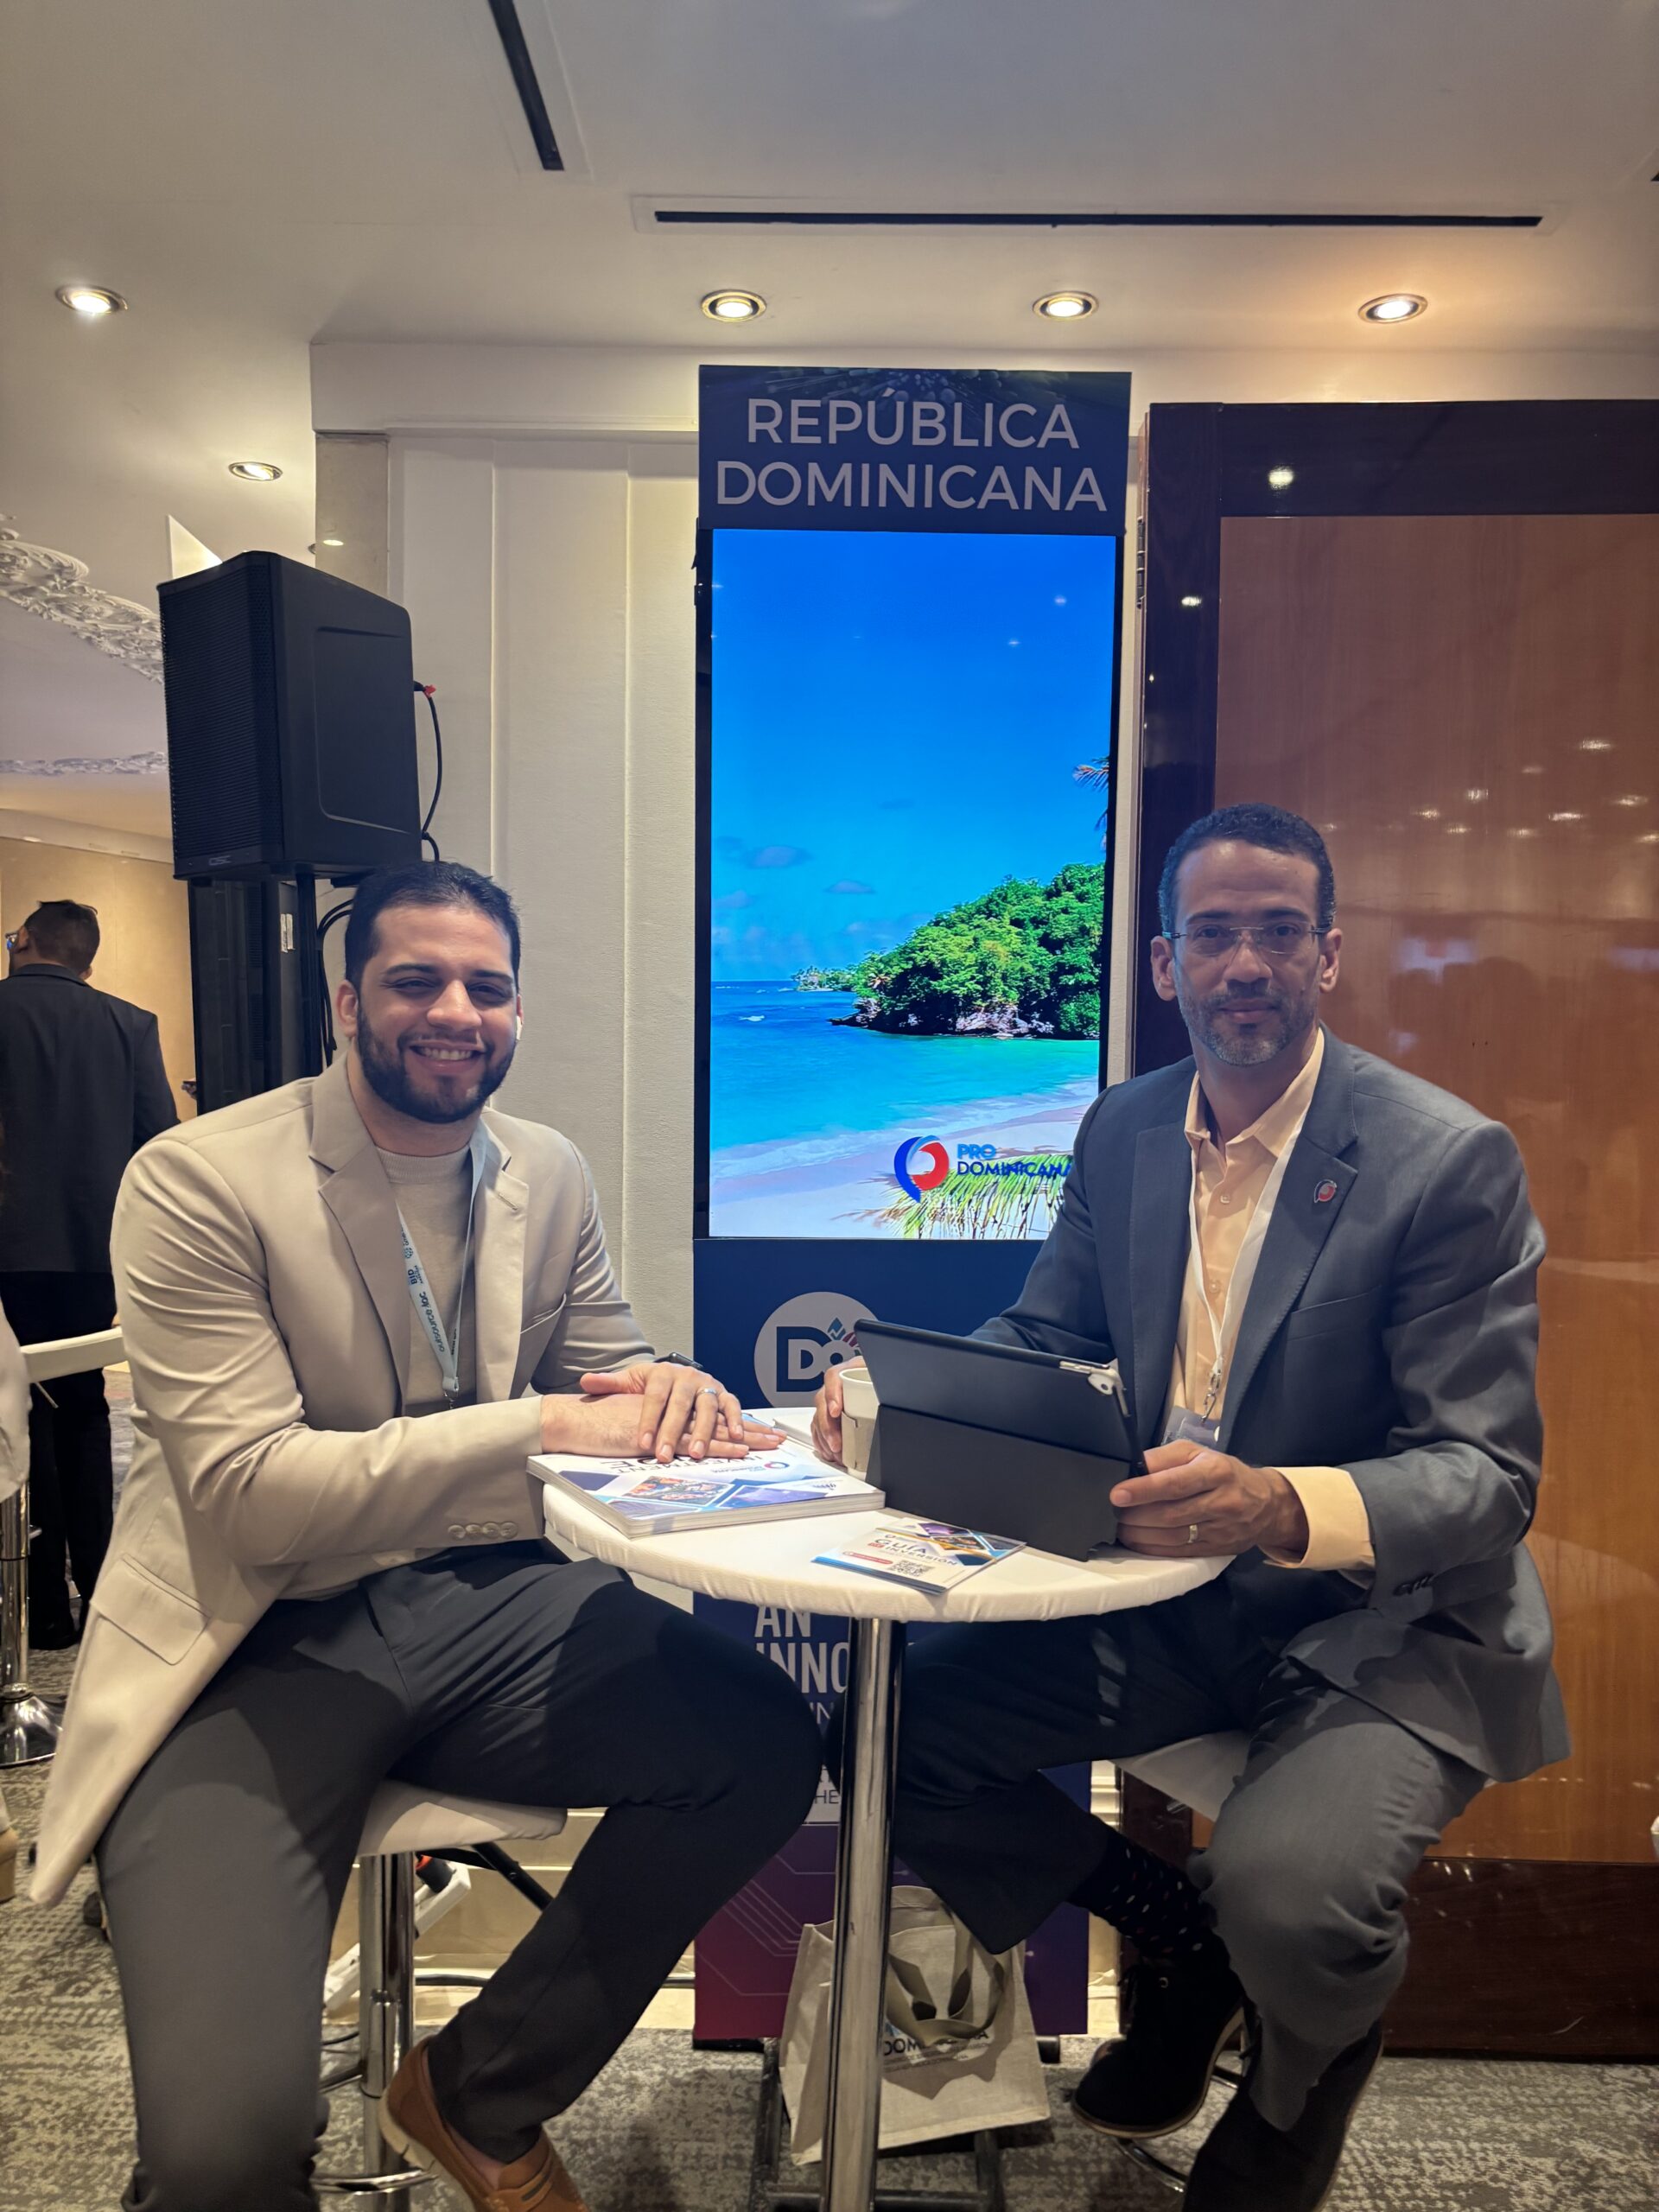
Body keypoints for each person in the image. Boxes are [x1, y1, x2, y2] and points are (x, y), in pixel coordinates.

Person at [33, 860, 823, 2212]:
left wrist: (666, 1385)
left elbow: (603, 1363)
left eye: (487, 987)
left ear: (515, 1009)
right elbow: (253, 1495)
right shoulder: (199, 1181)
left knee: (761, 1745)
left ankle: (478, 2091)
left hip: (488, 1603)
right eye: (417, 981)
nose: (456, 1011)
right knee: (221, 2160)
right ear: (348, 1004)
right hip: (251, 1638)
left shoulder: (545, 1170)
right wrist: (542, 1426)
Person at [813, 803, 1565, 2212]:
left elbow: (1488, 1476)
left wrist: (1275, 1505)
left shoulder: (1446, 1161)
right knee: (888, 1731)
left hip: (1384, 1624)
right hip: (1170, 1595)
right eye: (1213, 935)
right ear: (1164, 963)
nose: (1245, 965)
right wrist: (892, 1396)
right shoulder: (1123, 1129)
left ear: (1329, 954)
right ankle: (1181, 1938)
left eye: (1279, 933)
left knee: (1297, 1905)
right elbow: (1048, 1340)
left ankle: (1298, 2083)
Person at [0, 898, 178, 1644]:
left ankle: (41, 1607)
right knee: (83, 1406)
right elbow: (160, 1148)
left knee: (19, 1412)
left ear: (25, 941)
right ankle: (102, 1586)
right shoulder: (130, 1026)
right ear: (88, 960)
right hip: (93, 1253)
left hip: (7, 1255)